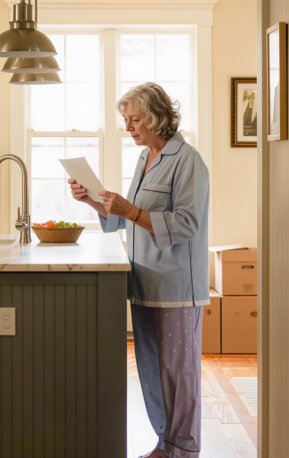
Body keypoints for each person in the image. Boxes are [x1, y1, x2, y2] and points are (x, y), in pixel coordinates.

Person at [68, 83, 210, 458]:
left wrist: (130, 210)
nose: (128, 127)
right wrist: (93, 201)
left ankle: (184, 450)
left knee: (179, 374)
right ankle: (165, 443)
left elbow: (187, 223)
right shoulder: (145, 158)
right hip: (144, 280)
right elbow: (127, 221)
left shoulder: (187, 159)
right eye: (125, 120)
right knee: (152, 370)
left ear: (157, 117)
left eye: (134, 120)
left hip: (177, 286)